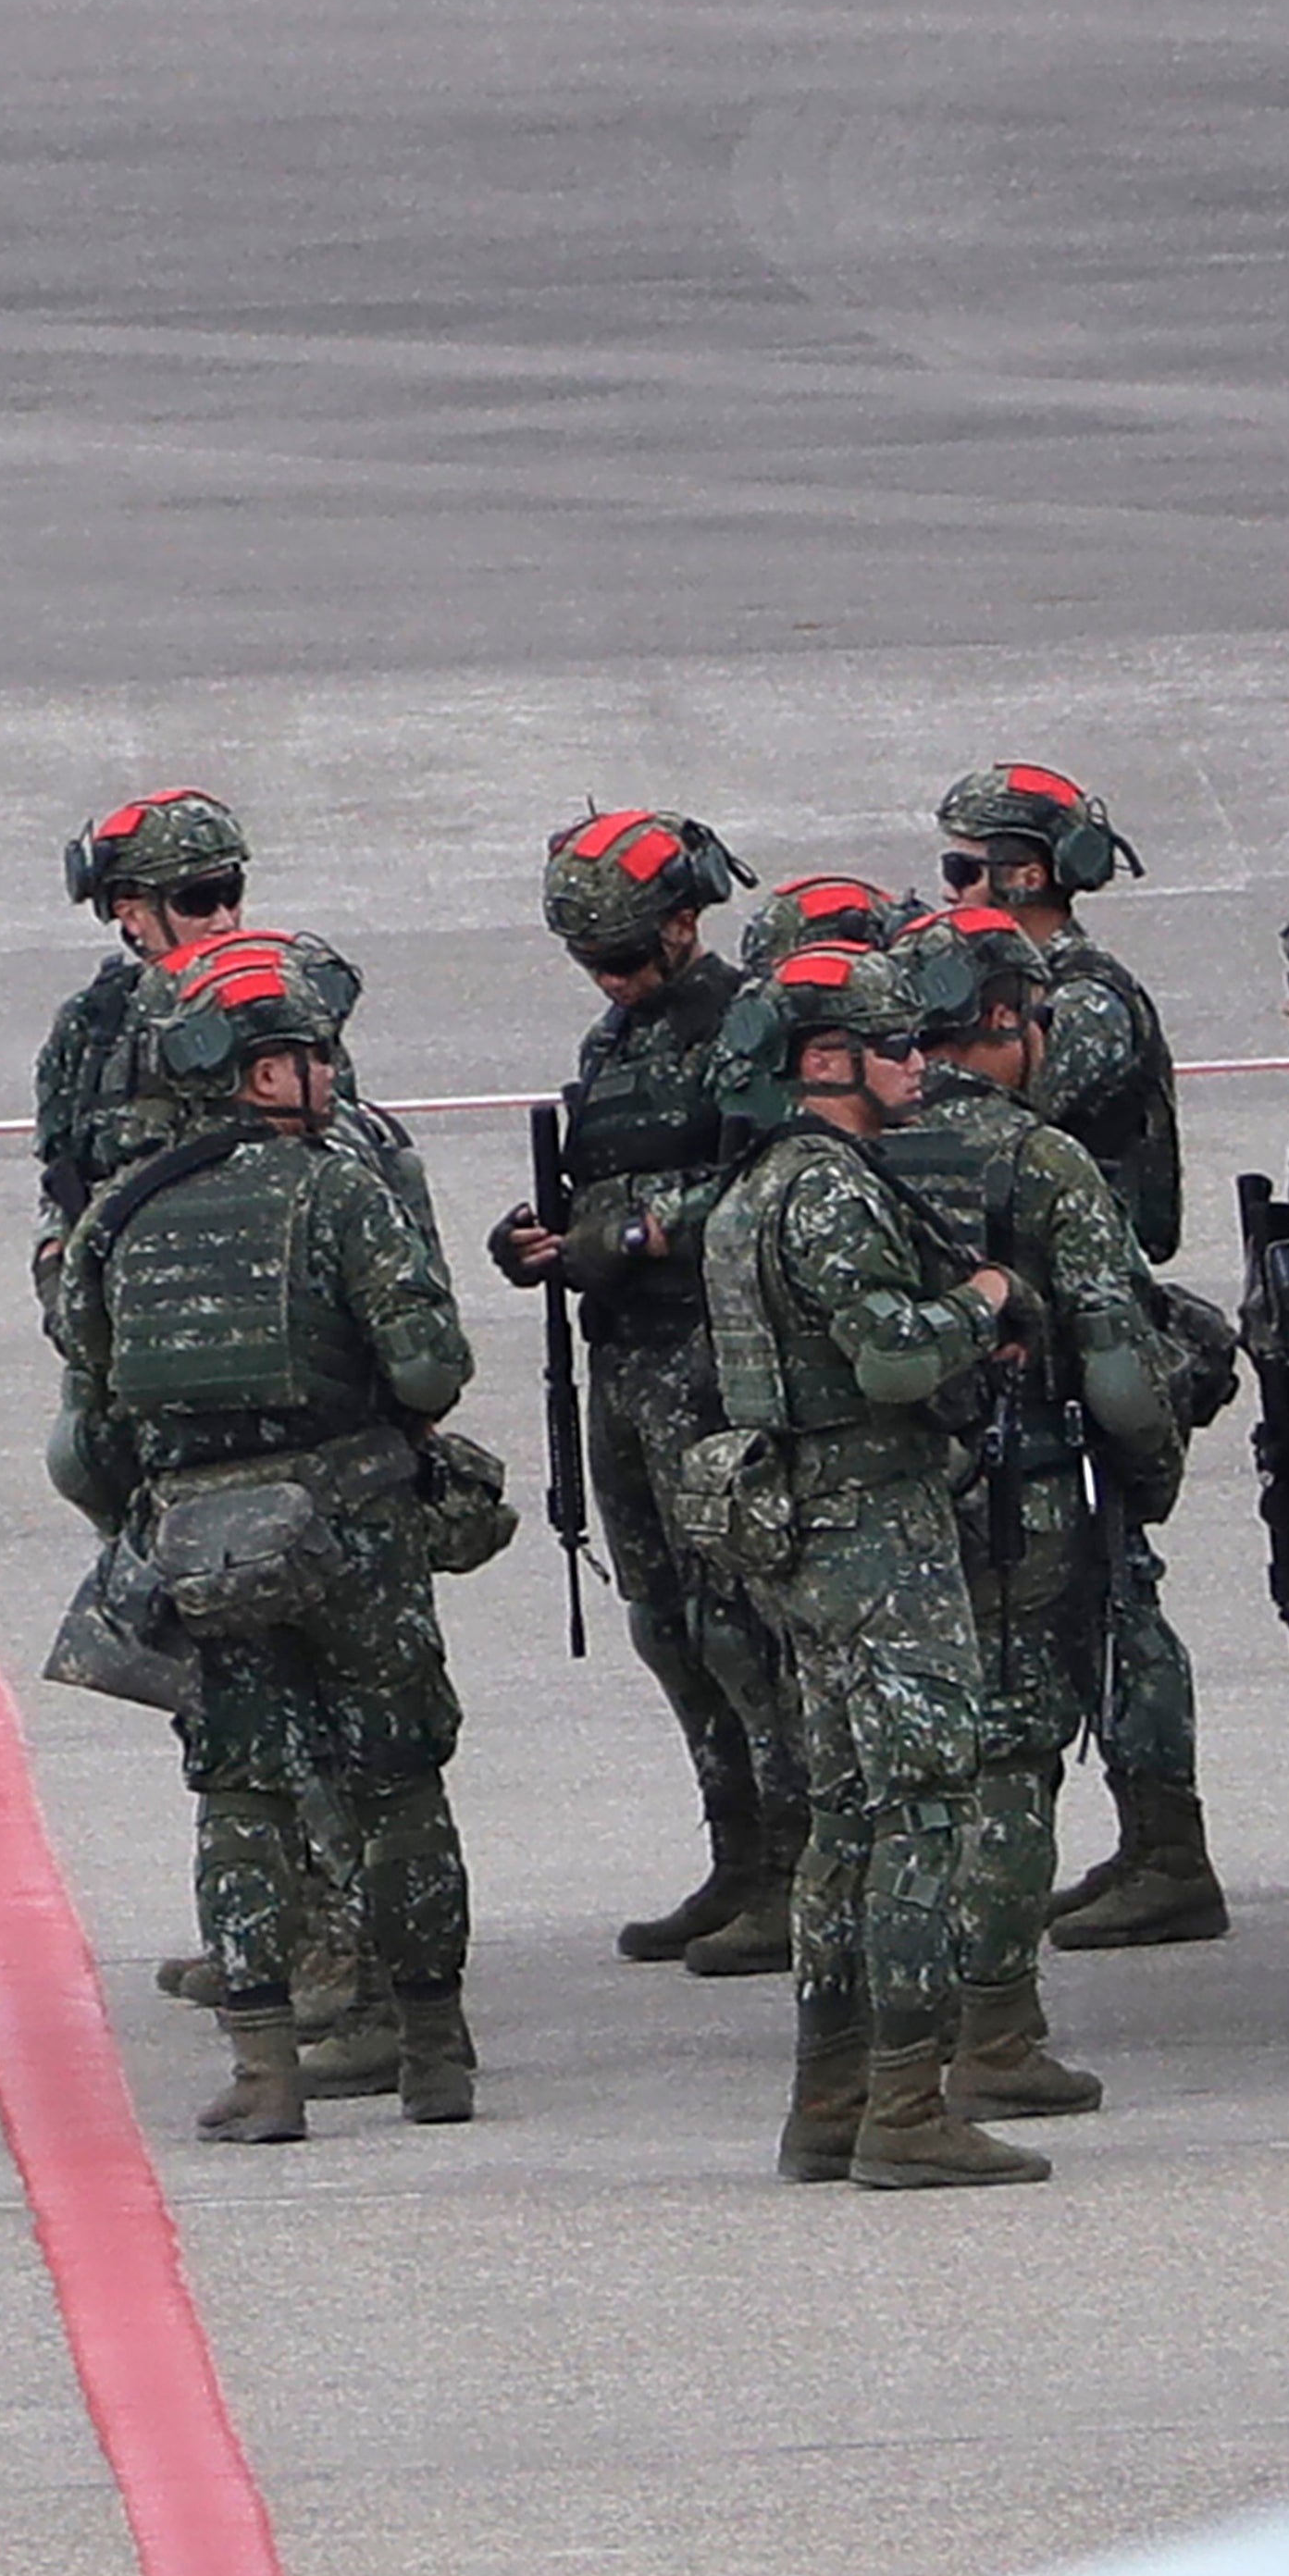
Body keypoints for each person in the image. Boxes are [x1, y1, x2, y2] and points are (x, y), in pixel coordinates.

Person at [54, 930, 479, 2138]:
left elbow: (95, 1409)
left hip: (208, 1544)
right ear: (252, 1075)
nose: (325, 1077)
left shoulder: (121, 1219)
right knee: (399, 1786)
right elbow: (431, 1366)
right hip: (355, 1533)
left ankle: (265, 2073)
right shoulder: (345, 1190)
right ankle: (435, 2052)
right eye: (300, 1060)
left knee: (240, 1798)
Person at [701, 947, 1047, 2186]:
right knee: (920, 1811)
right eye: (897, 1047)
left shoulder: (750, 1191)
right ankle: (906, 2102)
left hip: (805, 1530)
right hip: (876, 1527)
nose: (921, 1064)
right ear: (826, 1061)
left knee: (843, 1818)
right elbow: (892, 1361)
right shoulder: (833, 1194)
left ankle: (830, 2097)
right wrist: (987, 1302)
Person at [880, 906, 1190, 2117]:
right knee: (1010, 1759)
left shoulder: (847, 1152)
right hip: (1022, 1500)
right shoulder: (1039, 1159)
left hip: (885, 1510)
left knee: (891, 1773)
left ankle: (888, 2032)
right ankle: (996, 2036)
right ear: (1006, 1022)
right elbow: (1119, 1362)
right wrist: (1150, 1473)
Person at [489, 811, 797, 1974]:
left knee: (740, 1624)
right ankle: (737, 1852)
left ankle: (795, 1859)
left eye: (624, 957)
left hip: (712, 1361)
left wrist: (637, 1229)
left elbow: (775, 1183)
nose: (609, 981)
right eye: (591, 964)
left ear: (684, 922)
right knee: (665, 1623)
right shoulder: (613, 1047)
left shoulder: (744, 1030)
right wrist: (541, 1241)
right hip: (623, 1360)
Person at [934, 764, 1216, 1946]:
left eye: (965, 869)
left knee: (1114, 1589)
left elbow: (1013, 1114)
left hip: (1085, 1311)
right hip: (1029, 1313)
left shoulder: (1078, 997)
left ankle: (1167, 1846)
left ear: (1029, 871)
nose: (945, 889)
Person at [35, 787, 253, 1316]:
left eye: (232, 891)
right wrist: (61, 1287)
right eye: (197, 901)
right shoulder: (91, 1030)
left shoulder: (275, 1005)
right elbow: (62, 1179)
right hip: (138, 1328)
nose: (224, 919)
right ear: (133, 916)